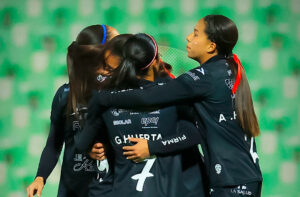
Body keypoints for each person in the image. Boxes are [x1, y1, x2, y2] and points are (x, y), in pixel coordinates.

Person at [92, 15, 263, 196]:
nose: (188, 37)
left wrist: (103, 98)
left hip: (232, 181)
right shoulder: (226, 69)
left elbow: (149, 96)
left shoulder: (206, 76)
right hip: (239, 176)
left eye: (196, 34)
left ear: (211, 46)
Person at [76, 33, 206, 197]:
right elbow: (196, 132)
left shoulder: (104, 99)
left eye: (109, 68)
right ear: (155, 60)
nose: (105, 73)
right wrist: (99, 146)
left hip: (138, 188)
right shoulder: (174, 92)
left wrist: (152, 146)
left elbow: (82, 142)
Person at [26, 24, 119, 197]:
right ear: (101, 55)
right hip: (73, 190)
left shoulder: (126, 93)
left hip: (112, 189)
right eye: (118, 45)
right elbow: (54, 144)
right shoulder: (65, 95)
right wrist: (40, 177)